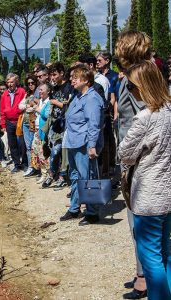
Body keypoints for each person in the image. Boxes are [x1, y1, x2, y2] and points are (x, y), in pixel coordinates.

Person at [119, 60, 171, 300]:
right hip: (168, 193)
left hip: (149, 196)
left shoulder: (145, 117)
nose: (129, 91)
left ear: (143, 86)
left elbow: (125, 154)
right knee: (166, 254)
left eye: (131, 86)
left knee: (150, 258)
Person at [115, 30, 152, 299]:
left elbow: (145, 118)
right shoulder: (142, 74)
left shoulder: (136, 79)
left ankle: (144, 277)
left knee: (138, 222)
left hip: (138, 161)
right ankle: (145, 271)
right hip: (137, 159)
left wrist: (129, 156)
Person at [60, 65, 104, 226]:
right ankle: (74, 208)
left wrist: (92, 145)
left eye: (75, 78)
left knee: (88, 178)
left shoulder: (91, 98)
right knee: (75, 176)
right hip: (73, 141)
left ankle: (92, 212)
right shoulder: (78, 96)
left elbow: (93, 124)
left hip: (84, 143)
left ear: (86, 80)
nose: (72, 80)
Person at [0, 73, 27, 173]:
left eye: (12, 82)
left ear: (16, 82)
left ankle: (24, 163)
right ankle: (16, 164)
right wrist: (2, 124)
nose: (10, 84)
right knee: (12, 144)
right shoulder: (4, 94)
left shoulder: (22, 92)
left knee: (22, 143)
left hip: (19, 120)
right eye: (8, 82)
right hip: (9, 122)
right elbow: (2, 111)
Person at [19, 75, 40, 177]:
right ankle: (31, 166)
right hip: (26, 122)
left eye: (32, 83)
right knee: (28, 146)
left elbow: (38, 107)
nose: (31, 85)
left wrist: (30, 107)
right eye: (29, 84)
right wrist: (29, 106)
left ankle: (37, 166)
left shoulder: (38, 94)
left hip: (34, 121)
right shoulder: (27, 94)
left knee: (34, 145)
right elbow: (20, 106)